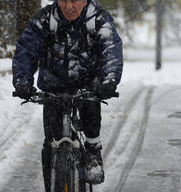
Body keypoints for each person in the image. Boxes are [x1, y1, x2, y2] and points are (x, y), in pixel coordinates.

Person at [12, 0, 123, 189]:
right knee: (50, 145)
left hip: (87, 86)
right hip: (54, 88)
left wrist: (109, 81)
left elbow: (110, 49)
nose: (69, 6)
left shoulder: (98, 19)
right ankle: (52, 183)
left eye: (74, 0)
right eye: (63, 0)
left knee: (90, 110)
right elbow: (26, 50)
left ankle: (93, 149)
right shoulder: (45, 19)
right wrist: (22, 81)